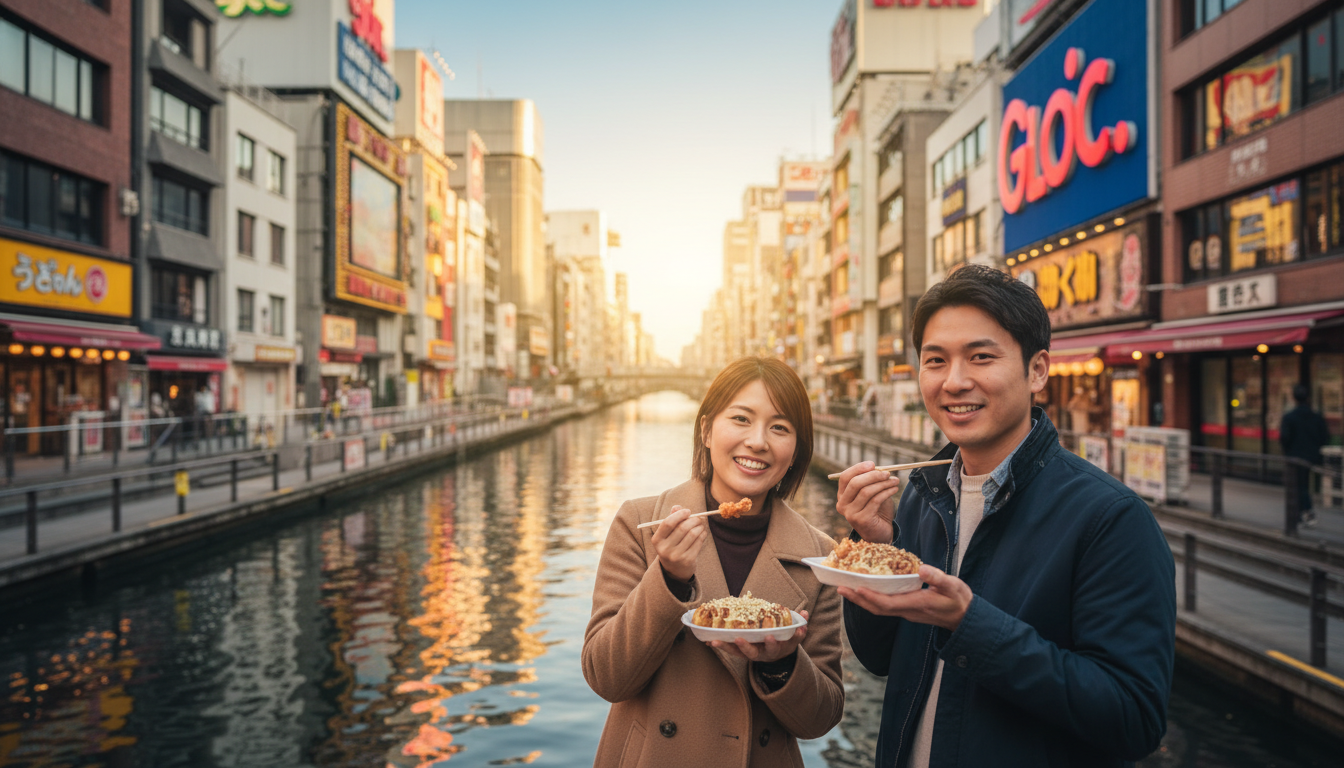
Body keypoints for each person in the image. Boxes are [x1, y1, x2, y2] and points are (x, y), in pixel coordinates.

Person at [834, 264, 1175, 768]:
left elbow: (1134, 718)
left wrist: (969, 624)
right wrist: (875, 546)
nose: (954, 382)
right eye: (935, 360)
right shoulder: (923, 497)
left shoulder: (1111, 519)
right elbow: (880, 658)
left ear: (1037, 370)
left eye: (981, 357)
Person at [582, 357, 844, 767]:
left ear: (796, 451)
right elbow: (606, 677)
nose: (757, 441)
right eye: (741, 419)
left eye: (779, 427)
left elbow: (821, 718)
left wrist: (782, 662)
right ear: (706, 430)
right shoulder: (640, 524)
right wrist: (668, 579)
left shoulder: (820, 557)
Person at [1280, 383, 1330, 527]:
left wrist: (1288, 452)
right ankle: (1302, 514)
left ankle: (1305, 512)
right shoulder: (1316, 417)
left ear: (1294, 398)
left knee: (1299, 486)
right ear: (1308, 398)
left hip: (1295, 457)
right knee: (1304, 485)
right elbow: (1325, 437)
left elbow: (1284, 438)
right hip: (1312, 456)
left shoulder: (1289, 417)